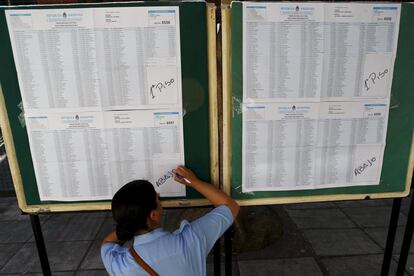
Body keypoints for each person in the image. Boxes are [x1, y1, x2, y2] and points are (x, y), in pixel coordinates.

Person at [101, 166, 239, 276]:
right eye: (157, 199)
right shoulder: (190, 240)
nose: (160, 197)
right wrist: (193, 181)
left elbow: (107, 243)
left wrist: (130, 224)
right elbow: (230, 206)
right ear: (153, 215)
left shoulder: (119, 265)